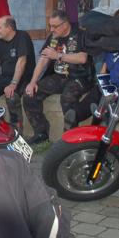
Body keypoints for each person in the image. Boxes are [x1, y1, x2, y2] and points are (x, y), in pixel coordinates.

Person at [23, 10, 92, 144]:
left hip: (79, 76)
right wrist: (32, 82)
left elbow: (82, 58)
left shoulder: (80, 34)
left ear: (65, 24)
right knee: (29, 95)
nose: (51, 29)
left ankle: (70, 138)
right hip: (59, 76)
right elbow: (43, 60)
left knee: (67, 98)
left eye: (55, 26)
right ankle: (41, 133)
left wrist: (58, 56)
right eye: (50, 26)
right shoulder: (53, 37)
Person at [0, 16, 35, 128]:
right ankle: (1, 126)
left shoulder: (22, 36)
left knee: (11, 97)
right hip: (5, 77)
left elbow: (22, 61)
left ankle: (16, 131)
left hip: (22, 77)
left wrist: (13, 84)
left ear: (9, 28)